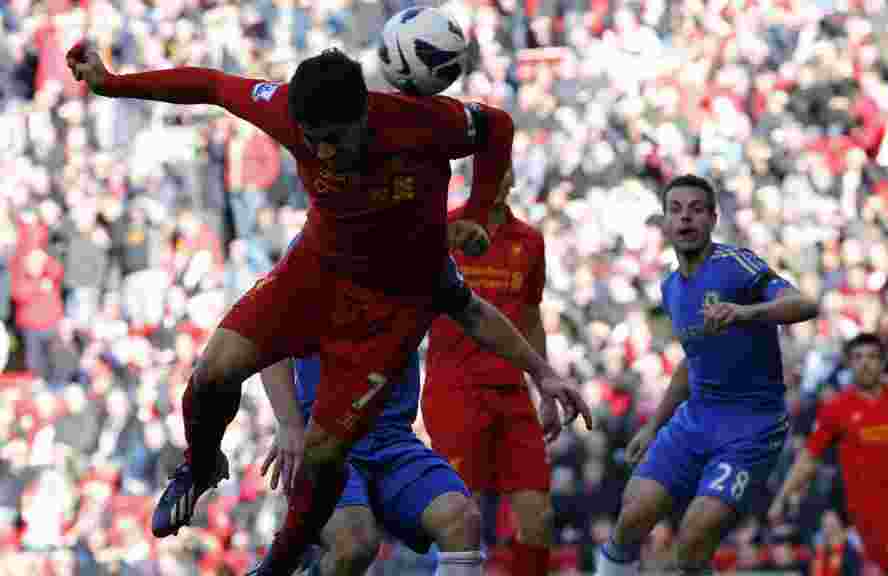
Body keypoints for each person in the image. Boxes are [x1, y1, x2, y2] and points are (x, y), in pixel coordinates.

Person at [66, 42, 590, 575]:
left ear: (364, 115)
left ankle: (278, 566)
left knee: (324, 464)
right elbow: (211, 85)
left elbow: (497, 125)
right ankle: (200, 467)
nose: (324, 154)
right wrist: (113, 83)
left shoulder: (423, 125)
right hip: (314, 275)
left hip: (385, 315)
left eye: (335, 141)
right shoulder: (288, 112)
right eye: (312, 142)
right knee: (211, 373)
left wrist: (476, 213)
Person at [260, 251, 582, 576]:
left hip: (392, 440)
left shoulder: (419, 245)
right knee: (354, 546)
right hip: (325, 442)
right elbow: (269, 331)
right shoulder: (321, 243)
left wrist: (543, 373)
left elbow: (474, 314)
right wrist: (289, 423)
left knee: (461, 519)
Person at [596, 174, 820, 576]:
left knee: (692, 541)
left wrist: (746, 312)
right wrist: (653, 427)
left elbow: (805, 304)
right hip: (695, 419)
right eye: (676, 210)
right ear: (664, 222)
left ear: (713, 218)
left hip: (752, 427)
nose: (685, 219)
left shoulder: (736, 265)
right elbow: (692, 360)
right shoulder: (670, 288)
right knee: (632, 516)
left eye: (696, 210)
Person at [423, 166, 555, 575]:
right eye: (485, 166)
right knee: (464, 519)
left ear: (513, 175)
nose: (495, 176)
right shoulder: (442, 231)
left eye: (502, 166)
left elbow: (531, 317)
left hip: (512, 393)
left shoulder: (530, 242)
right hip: (455, 390)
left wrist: (545, 386)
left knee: (539, 518)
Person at [768, 333, 888, 576]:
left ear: (883, 363)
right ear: (849, 363)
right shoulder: (836, 409)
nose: (865, 362)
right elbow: (808, 458)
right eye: (858, 357)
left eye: (872, 357)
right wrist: (782, 498)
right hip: (871, 512)